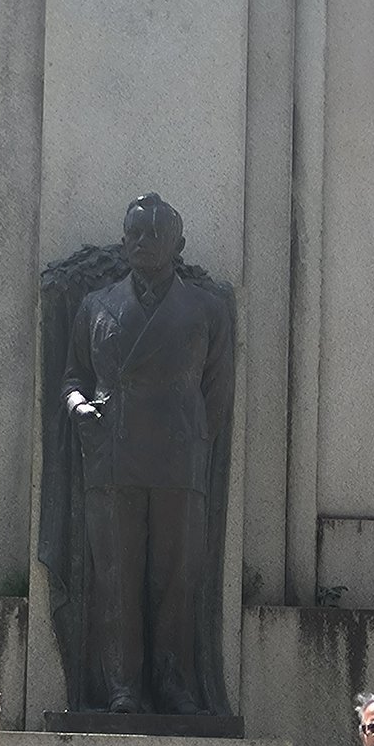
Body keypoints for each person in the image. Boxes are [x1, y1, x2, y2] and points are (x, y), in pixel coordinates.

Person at [61, 193, 234, 713]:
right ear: (123, 240)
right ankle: (122, 687)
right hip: (112, 455)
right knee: (116, 577)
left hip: (180, 459)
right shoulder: (96, 305)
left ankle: (174, 682)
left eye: (154, 234)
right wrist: (77, 408)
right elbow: (73, 377)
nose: (142, 242)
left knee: (176, 579)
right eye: (134, 233)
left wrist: (196, 439)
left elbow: (219, 390)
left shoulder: (207, 308)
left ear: (177, 244)